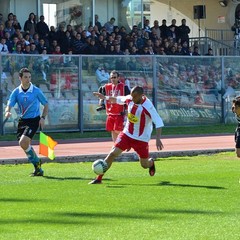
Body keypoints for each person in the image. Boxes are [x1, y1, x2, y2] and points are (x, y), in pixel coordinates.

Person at [89, 86, 164, 184]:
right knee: (112, 154)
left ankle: (151, 163)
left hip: (141, 139)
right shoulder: (130, 99)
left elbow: (158, 122)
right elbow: (117, 99)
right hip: (127, 134)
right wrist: (105, 98)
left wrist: (158, 139)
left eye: (135, 96)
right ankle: (98, 179)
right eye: (131, 95)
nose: (132, 98)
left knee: (144, 165)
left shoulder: (148, 106)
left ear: (141, 96)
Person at [4, 68, 48, 176]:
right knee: (24, 145)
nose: (28, 79)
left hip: (34, 120)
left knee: (23, 142)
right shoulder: (16, 92)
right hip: (22, 121)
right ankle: (37, 165)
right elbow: (9, 105)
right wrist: (7, 112)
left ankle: (37, 164)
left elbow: (46, 104)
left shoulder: (36, 91)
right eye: (25, 77)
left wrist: (42, 118)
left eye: (29, 77)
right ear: (20, 78)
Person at [97, 70, 130, 142]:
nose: (113, 79)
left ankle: (127, 141)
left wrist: (127, 110)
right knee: (113, 130)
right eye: (111, 77)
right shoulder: (106, 87)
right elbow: (101, 95)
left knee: (118, 130)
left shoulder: (124, 87)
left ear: (118, 78)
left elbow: (128, 99)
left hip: (119, 113)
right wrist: (101, 103)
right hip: (110, 113)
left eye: (114, 77)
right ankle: (116, 145)